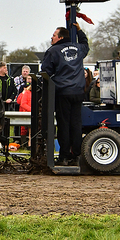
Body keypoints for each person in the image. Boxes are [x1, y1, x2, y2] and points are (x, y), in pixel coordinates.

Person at [41, 23, 89, 166]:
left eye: (54, 35)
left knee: (64, 125)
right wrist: (80, 31)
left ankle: (64, 156)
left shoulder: (53, 51)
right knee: (76, 124)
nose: (52, 37)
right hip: (78, 92)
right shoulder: (78, 48)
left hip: (63, 92)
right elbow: (86, 45)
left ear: (60, 37)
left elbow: (46, 71)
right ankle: (76, 155)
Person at [16, 75, 33, 147]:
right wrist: (31, 110)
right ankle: (24, 144)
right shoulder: (26, 93)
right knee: (24, 130)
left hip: (29, 112)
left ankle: (29, 144)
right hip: (26, 113)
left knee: (30, 131)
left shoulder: (32, 93)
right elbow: (21, 103)